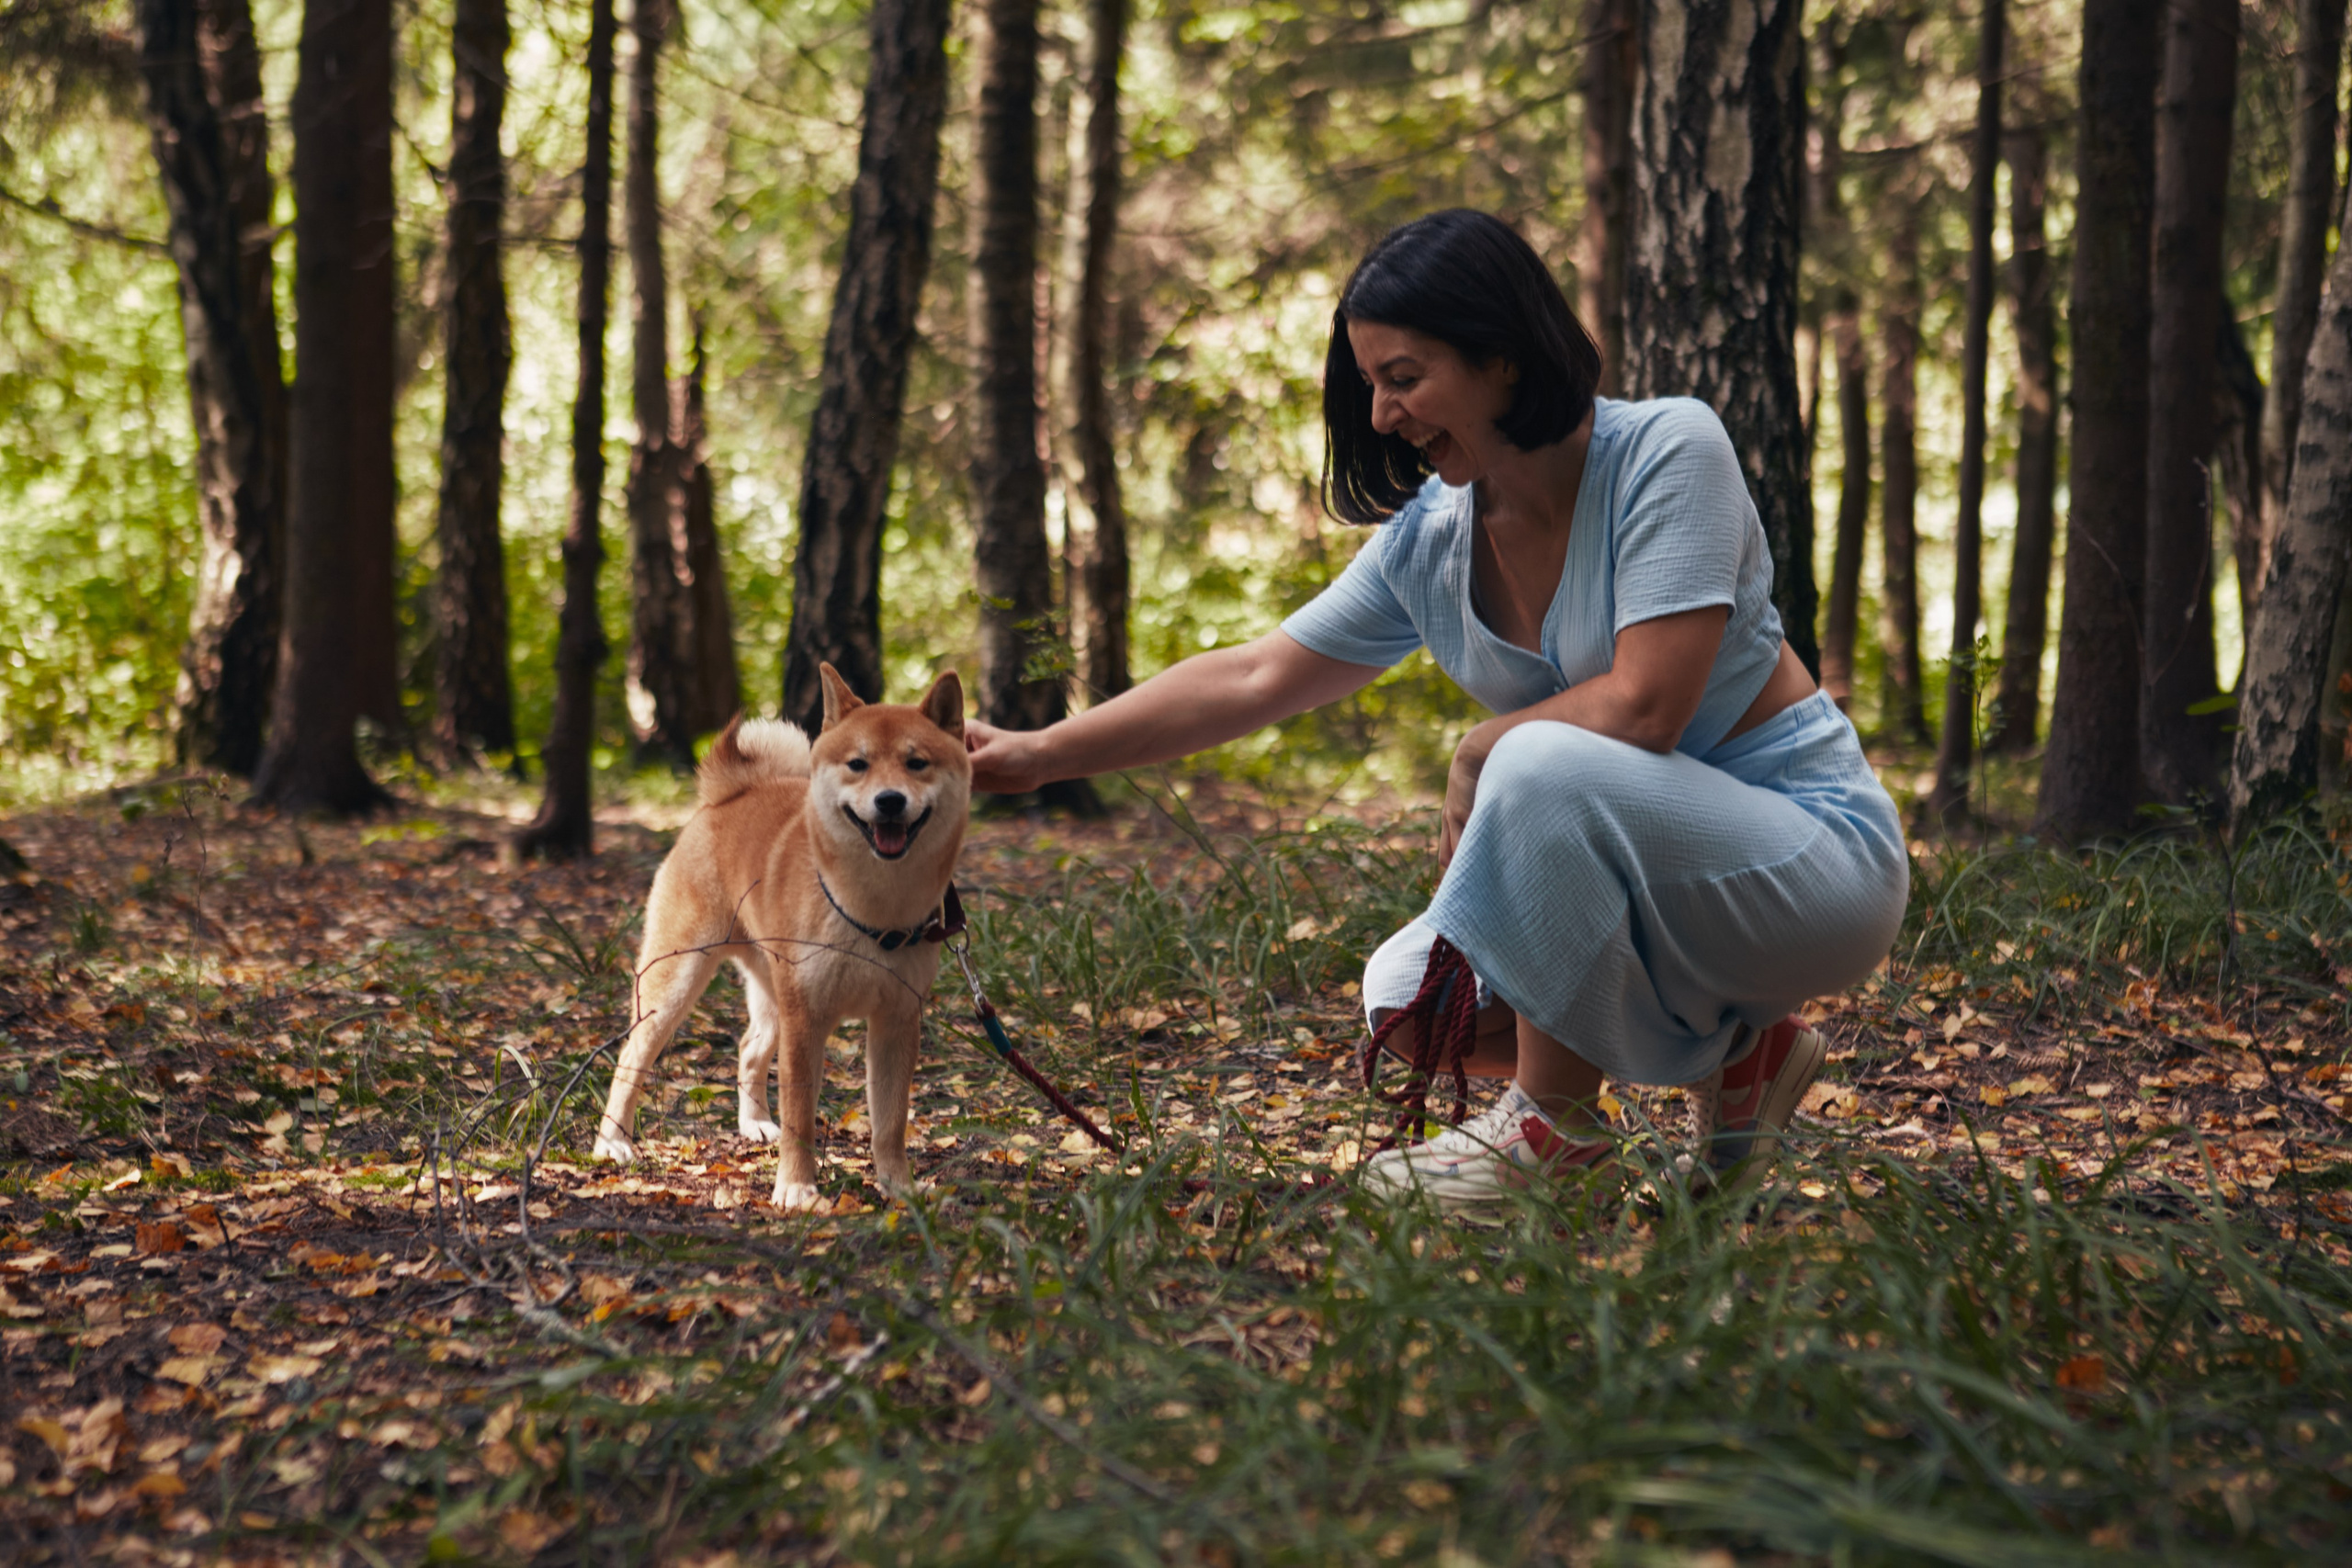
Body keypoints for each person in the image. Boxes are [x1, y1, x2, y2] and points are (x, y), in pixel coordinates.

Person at [966, 209, 1909, 1209]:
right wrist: (1039, 755)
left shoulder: (1666, 450)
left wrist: (1480, 750)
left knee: (1531, 762)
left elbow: (1645, 707)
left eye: (1403, 379)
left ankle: (1556, 1131)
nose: (1378, 416)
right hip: (1664, 893)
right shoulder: (1433, 537)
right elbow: (1256, 676)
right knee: (1408, 1004)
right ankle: (1743, 1063)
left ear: (1501, 358)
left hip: (1811, 864)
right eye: (1369, 383)